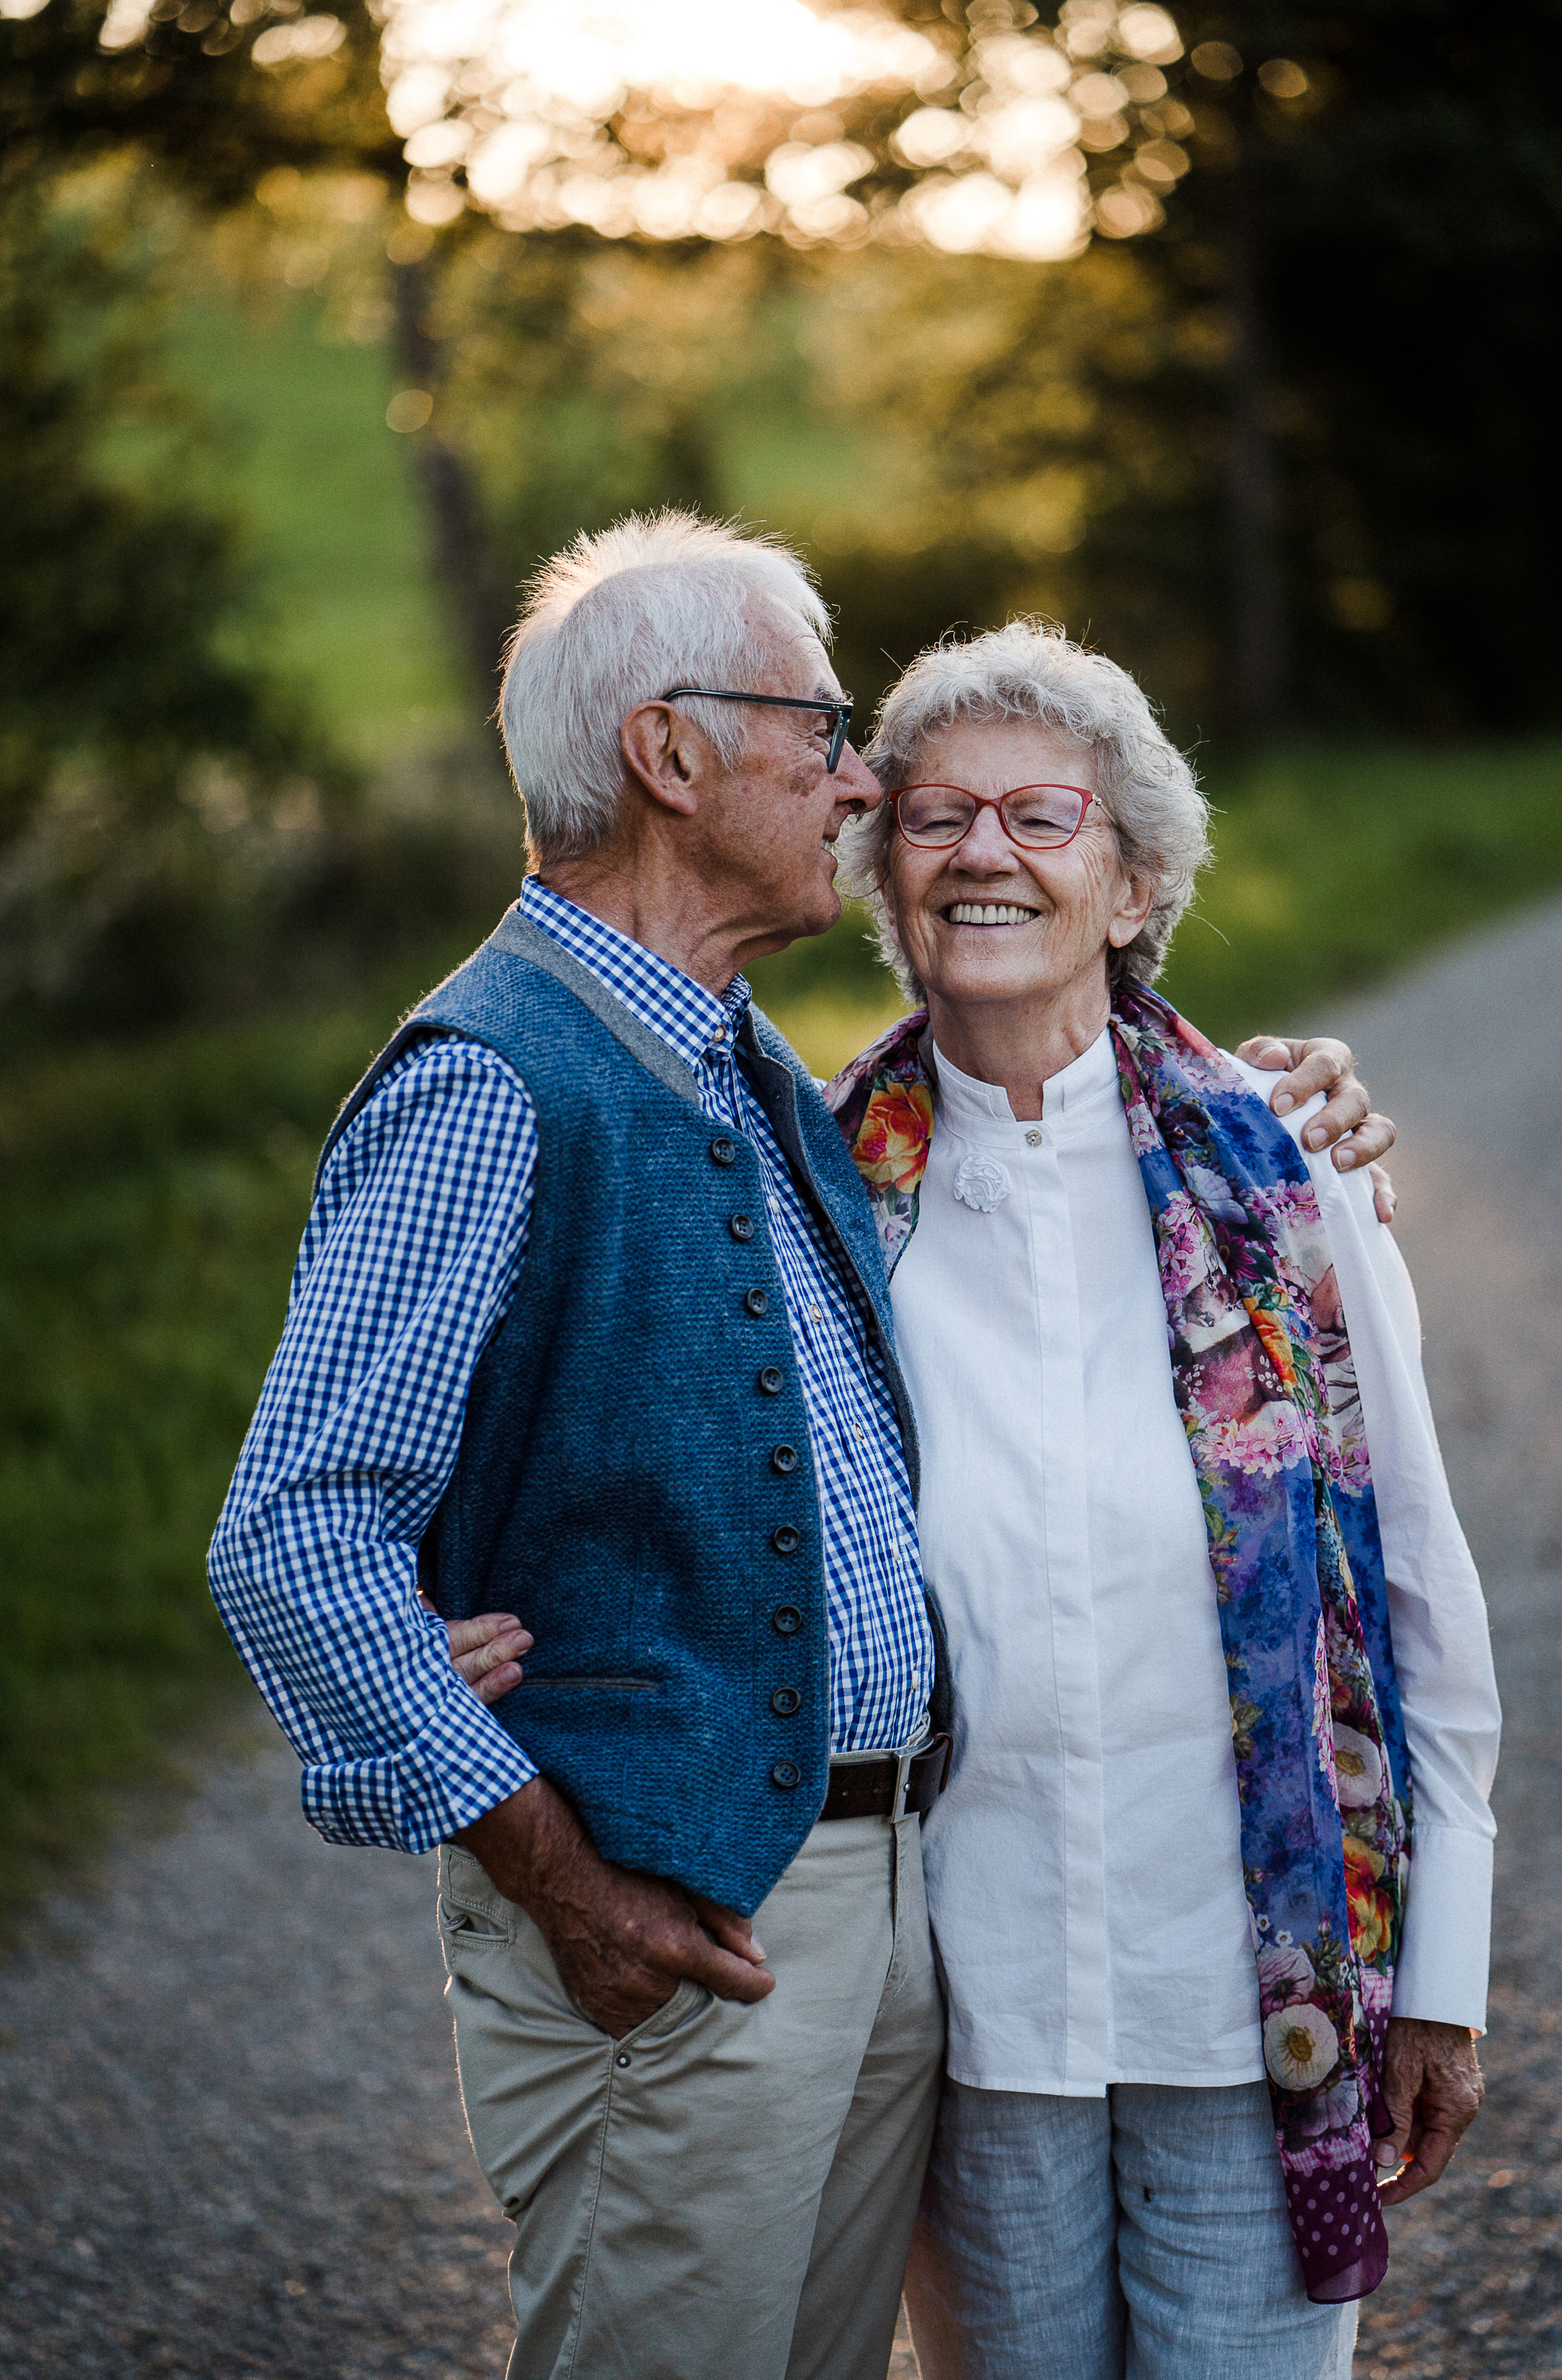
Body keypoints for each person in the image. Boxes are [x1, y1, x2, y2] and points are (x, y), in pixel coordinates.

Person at [209, 514, 1396, 2380]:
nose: (858, 775)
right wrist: (546, 1867)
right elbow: (293, 1529)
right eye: (819, 725)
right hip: (681, 1921)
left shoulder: (755, 1069)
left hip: (877, 1917)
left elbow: (1075, 1121)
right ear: (669, 756)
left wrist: (1275, 1109)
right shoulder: (489, 1074)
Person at [811, 621, 1501, 2380]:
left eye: (1044, 817)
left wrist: (1444, 1974)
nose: (983, 854)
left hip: (1250, 1985)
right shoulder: (819, 1200)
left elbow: (1417, 1580)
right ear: (888, 879)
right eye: (936, 819)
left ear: (1135, 886)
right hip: (966, 2001)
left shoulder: (1286, 1169)